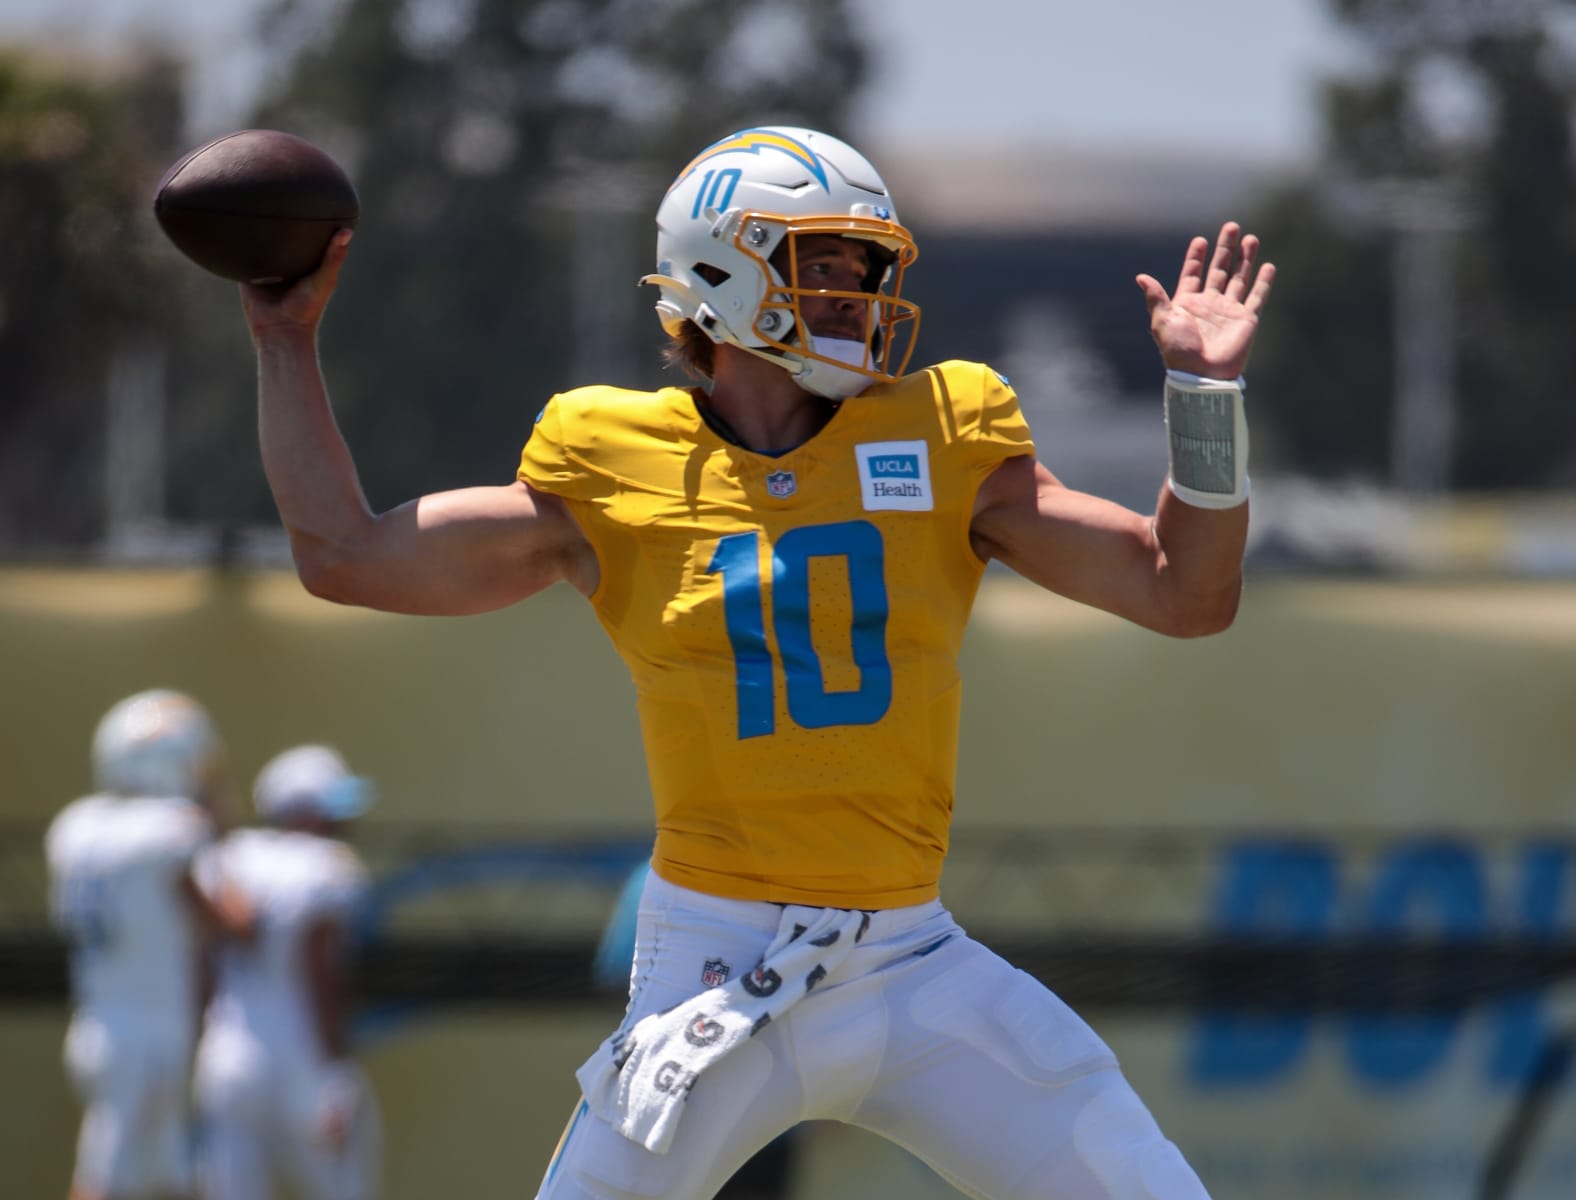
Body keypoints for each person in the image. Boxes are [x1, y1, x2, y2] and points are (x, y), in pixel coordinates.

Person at [240, 125, 1275, 1200]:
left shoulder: (945, 432)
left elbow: (1185, 592)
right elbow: (346, 556)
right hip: (715, 968)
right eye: (818, 262)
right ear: (718, 267)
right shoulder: (610, 459)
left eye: (862, 267)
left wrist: (1205, 399)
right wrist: (284, 340)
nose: (849, 293)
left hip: (913, 961)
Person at [46, 689, 251, 1200]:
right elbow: (232, 920)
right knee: (103, 1181)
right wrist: (221, 827)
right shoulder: (171, 831)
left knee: (170, 1181)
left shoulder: (76, 827)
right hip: (147, 1034)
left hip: (100, 1020)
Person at [194, 744, 381, 1200]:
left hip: (226, 1058)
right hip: (302, 1059)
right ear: (301, 812)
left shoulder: (224, 860)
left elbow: (203, 971)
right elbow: (323, 975)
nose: (343, 823)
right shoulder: (329, 867)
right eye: (331, 810)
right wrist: (334, 1074)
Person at [595, 857, 798, 1200]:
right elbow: (616, 983)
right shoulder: (654, 878)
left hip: (764, 1111)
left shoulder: (792, 878)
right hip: (674, 1106)